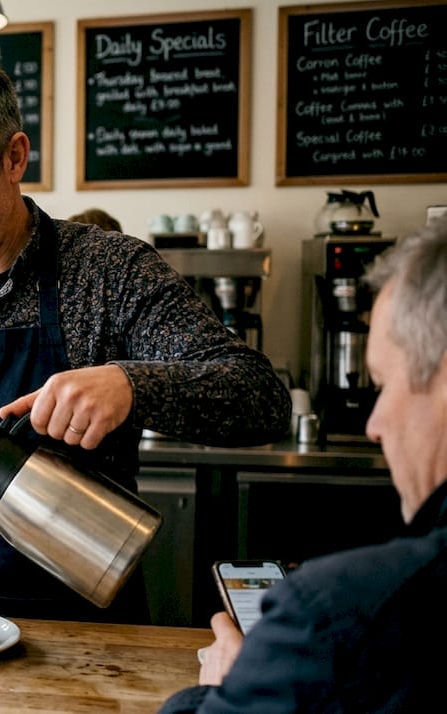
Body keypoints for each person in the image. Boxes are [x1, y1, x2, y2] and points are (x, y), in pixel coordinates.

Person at [0, 53, 290, 624]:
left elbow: (261, 398)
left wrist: (131, 386)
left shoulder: (110, 272)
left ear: (14, 157)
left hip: (87, 636)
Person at [160, 218, 447, 712]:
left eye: (382, 384)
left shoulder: (331, 615)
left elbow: (259, 392)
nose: (373, 424)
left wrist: (231, 686)